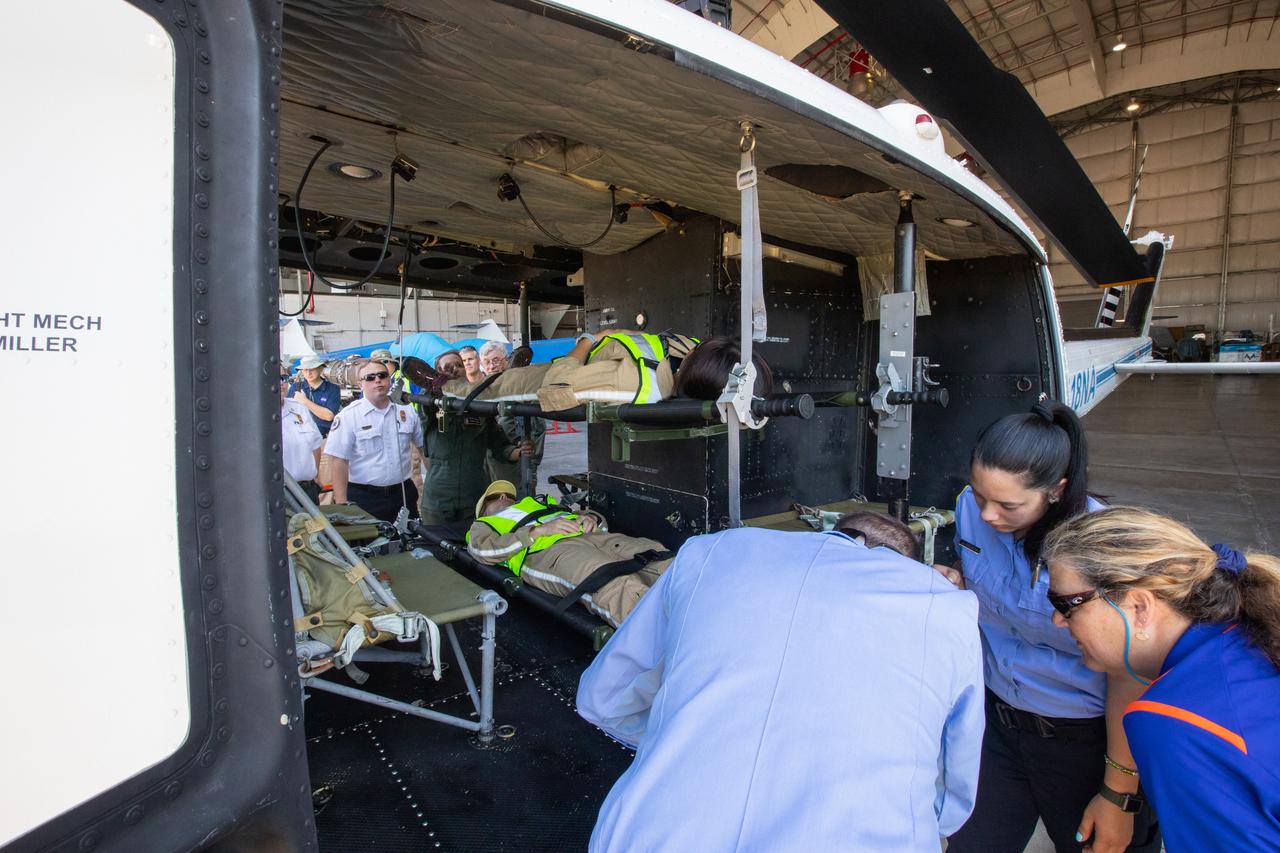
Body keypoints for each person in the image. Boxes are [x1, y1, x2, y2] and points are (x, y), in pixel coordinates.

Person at [576, 513, 984, 851]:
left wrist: (685, 727)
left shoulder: (711, 550)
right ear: (903, 565)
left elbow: (602, 698)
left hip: (651, 837)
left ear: (831, 532)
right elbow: (952, 789)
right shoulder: (949, 610)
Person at [944, 402, 1161, 853]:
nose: (987, 516)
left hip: (1087, 743)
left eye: (1008, 505)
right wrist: (955, 578)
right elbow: (990, 585)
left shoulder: (1104, 547)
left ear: (1057, 491)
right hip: (998, 727)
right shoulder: (972, 509)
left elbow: (1132, 673)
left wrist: (1118, 796)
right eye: (980, 495)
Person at [1042, 508, 1280, 851]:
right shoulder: (1248, 630)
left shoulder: (1171, 719)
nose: (1057, 620)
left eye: (1068, 604)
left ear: (1140, 607)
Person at [466, 481, 672, 626]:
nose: (504, 498)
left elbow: (586, 515)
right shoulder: (483, 524)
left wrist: (591, 519)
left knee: (660, 559)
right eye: (491, 500)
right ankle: (671, 650)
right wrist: (536, 532)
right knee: (615, 584)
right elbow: (481, 550)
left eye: (505, 496)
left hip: (594, 536)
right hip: (551, 552)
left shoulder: (542, 504)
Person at [402, 332, 772, 411]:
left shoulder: (632, 385)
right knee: (504, 377)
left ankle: (441, 384)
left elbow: (559, 384)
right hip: (599, 359)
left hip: (573, 368)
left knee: (486, 391)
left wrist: (584, 340)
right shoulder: (689, 350)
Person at [416, 342, 530, 525]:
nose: (454, 369)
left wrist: (518, 452)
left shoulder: (480, 404)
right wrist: (435, 386)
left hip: (474, 494)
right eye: (447, 367)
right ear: (437, 373)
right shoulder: (432, 405)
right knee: (435, 546)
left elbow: (499, 445)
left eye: (459, 365)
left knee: (473, 546)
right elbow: (426, 401)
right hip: (439, 495)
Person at [322, 358, 422, 523]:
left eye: (382, 375)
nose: (377, 380)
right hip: (365, 498)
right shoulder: (348, 416)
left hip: (402, 494)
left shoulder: (407, 411)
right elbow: (339, 461)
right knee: (369, 546)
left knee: (410, 543)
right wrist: (341, 503)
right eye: (370, 377)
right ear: (360, 384)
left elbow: (423, 449)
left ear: (389, 379)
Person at [479, 341, 546, 491]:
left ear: (507, 360)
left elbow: (537, 428)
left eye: (496, 360)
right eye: (486, 362)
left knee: (517, 504)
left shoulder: (522, 388)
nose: (491, 366)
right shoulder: (483, 390)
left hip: (516, 462)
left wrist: (532, 465)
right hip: (489, 461)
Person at [280, 368, 323, 502]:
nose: (281, 383)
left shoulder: (298, 408)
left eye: (284, 378)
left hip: (307, 491)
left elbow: (315, 444)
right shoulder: (252, 416)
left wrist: (315, 475)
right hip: (279, 494)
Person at [288, 354, 341, 437]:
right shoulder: (296, 387)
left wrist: (305, 401)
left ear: (320, 369)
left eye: (312, 369)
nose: (309, 373)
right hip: (301, 436)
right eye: (305, 370)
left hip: (324, 437)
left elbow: (329, 416)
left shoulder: (332, 389)